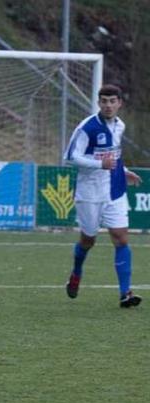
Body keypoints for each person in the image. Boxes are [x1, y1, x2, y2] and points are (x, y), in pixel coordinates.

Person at [64, 84, 143, 308]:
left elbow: (114, 156)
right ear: (99, 103)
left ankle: (125, 293)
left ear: (119, 103)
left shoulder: (120, 126)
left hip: (115, 189)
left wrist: (124, 171)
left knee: (121, 238)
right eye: (104, 101)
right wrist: (100, 164)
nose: (108, 105)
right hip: (90, 193)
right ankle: (76, 272)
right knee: (88, 240)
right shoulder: (87, 127)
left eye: (112, 101)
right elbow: (70, 157)